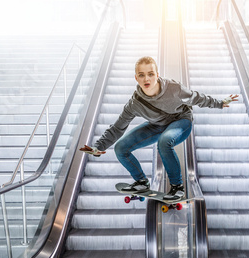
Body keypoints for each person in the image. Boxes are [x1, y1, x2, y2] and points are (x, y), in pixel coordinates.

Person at [80, 56, 238, 201]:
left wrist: (219, 103)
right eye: (141, 75)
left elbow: (196, 98)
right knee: (121, 148)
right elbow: (118, 127)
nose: (146, 78)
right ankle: (141, 181)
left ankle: (177, 187)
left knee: (164, 142)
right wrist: (98, 147)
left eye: (150, 74)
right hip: (158, 125)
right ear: (136, 78)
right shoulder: (135, 103)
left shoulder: (174, 88)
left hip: (181, 121)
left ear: (157, 75)